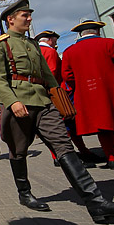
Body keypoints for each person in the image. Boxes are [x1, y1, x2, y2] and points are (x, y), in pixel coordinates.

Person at [0, 0, 114, 222]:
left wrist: (58, 96)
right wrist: (11, 101)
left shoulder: (32, 44)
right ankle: (25, 193)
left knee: (64, 146)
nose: (30, 18)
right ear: (11, 19)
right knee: (18, 151)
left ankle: (96, 203)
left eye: (30, 14)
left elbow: (47, 74)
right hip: (19, 103)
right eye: (25, 15)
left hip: (43, 102)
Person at [61, 20, 114, 175]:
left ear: (82, 34)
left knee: (102, 127)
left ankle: (111, 159)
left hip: (86, 93)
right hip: (113, 90)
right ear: (97, 31)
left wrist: (81, 86)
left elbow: (67, 76)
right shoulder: (110, 43)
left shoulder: (69, 51)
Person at [35, 30, 100, 167]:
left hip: (40, 95)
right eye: (55, 41)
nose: (56, 44)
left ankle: (61, 155)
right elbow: (53, 73)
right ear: (50, 40)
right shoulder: (50, 52)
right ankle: (74, 154)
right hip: (56, 94)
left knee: (51, 128)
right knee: (67, 124)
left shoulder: (34, 52)